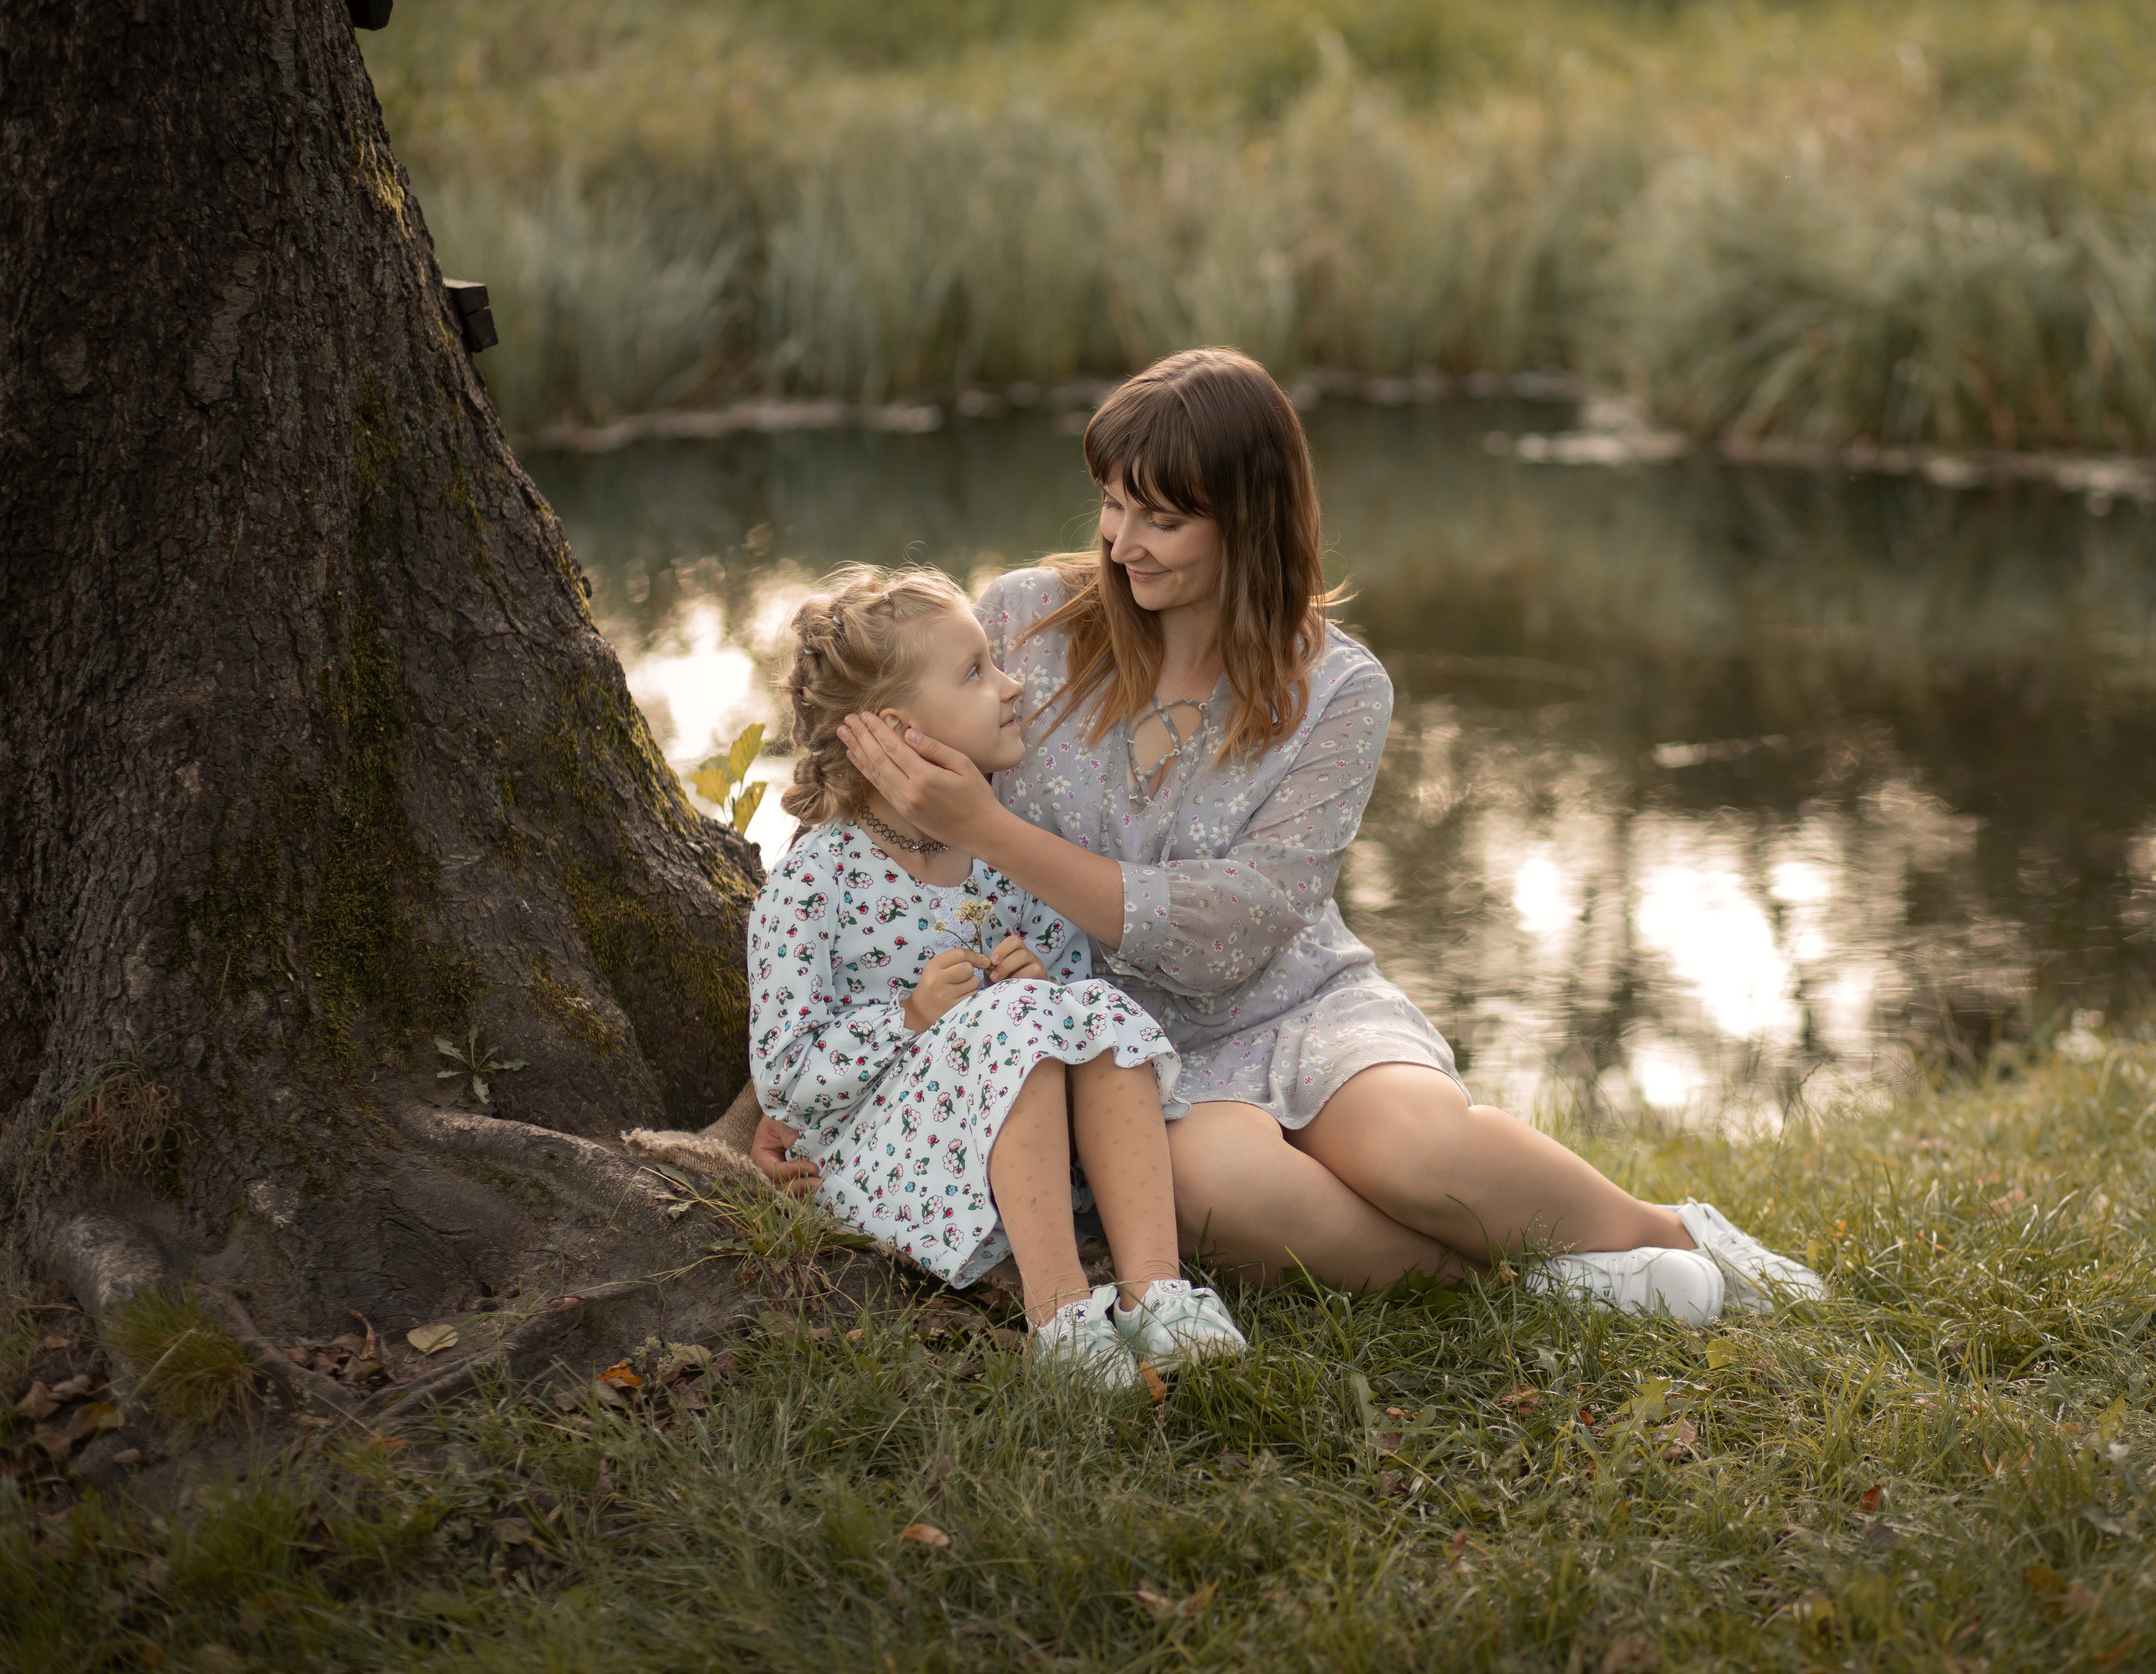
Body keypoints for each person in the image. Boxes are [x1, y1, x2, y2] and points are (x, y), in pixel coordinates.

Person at [757, 347, 1823, 1323]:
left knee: (1416, 1147)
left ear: (1248, 520)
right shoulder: (1022, 621)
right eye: (1111, 506)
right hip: (1113, 1047)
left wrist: (992, 829)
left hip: (1293, 998)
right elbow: (855, 831)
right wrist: (765, 1111)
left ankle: (1674, 1237)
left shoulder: (1338, 689)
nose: (1121, 543)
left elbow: (1241, 927)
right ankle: (1533, 1289)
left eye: (1161, 521)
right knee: (1224, 1186)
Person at [749, 562, 1248, 1390]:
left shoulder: (1002, 848)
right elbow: (787, 1079)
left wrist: (1040, 973)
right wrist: (909, 1017)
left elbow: (1071, 999)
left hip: (1008, 1157)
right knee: (1019, 1018)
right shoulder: (814, 883)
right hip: (892, 1168)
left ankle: (1158, 1292)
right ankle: (1062, 1320)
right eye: (977, 671)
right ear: (899, 729)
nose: (1012, 685)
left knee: (1086, 1006)